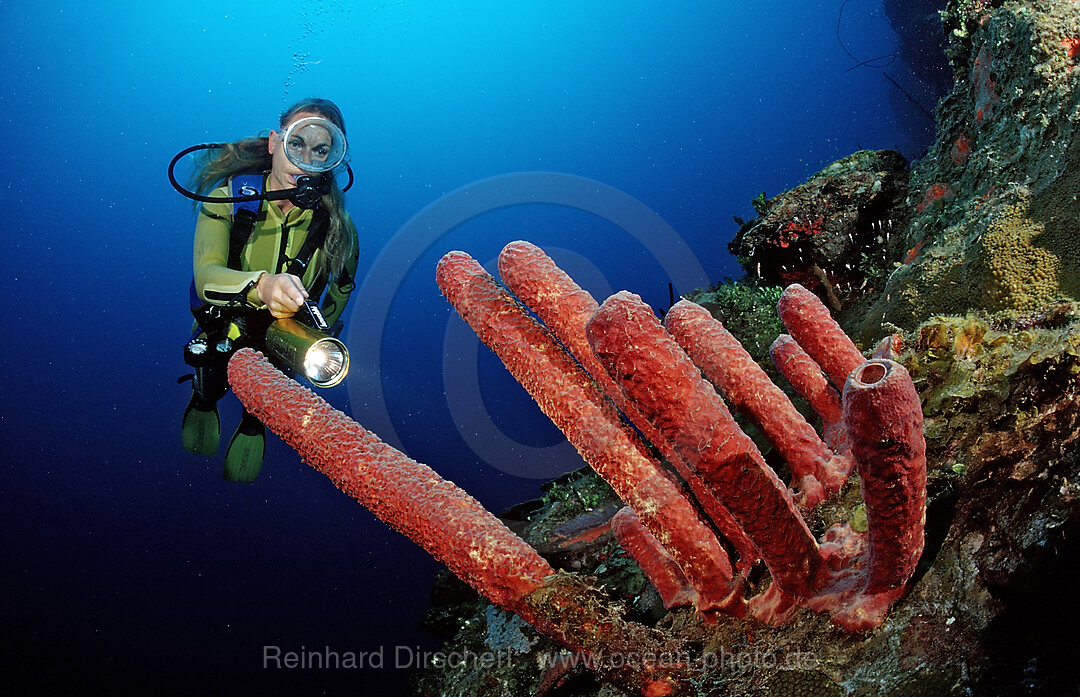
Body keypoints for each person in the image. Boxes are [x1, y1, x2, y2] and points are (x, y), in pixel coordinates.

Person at [179, 98, 359, 481]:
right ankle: (203, 400)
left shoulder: (340, 230)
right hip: (224, 323)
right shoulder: (227, 199)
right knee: (211, 381)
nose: (305, 160)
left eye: (320, 150)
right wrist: (261, 286)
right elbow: (206, 276)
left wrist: (315, 338)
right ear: (275, 143)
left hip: (284, 336)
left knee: (261, 405)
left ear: (332, 159)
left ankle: (252, 425)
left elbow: (338, 295)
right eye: (297, 144)